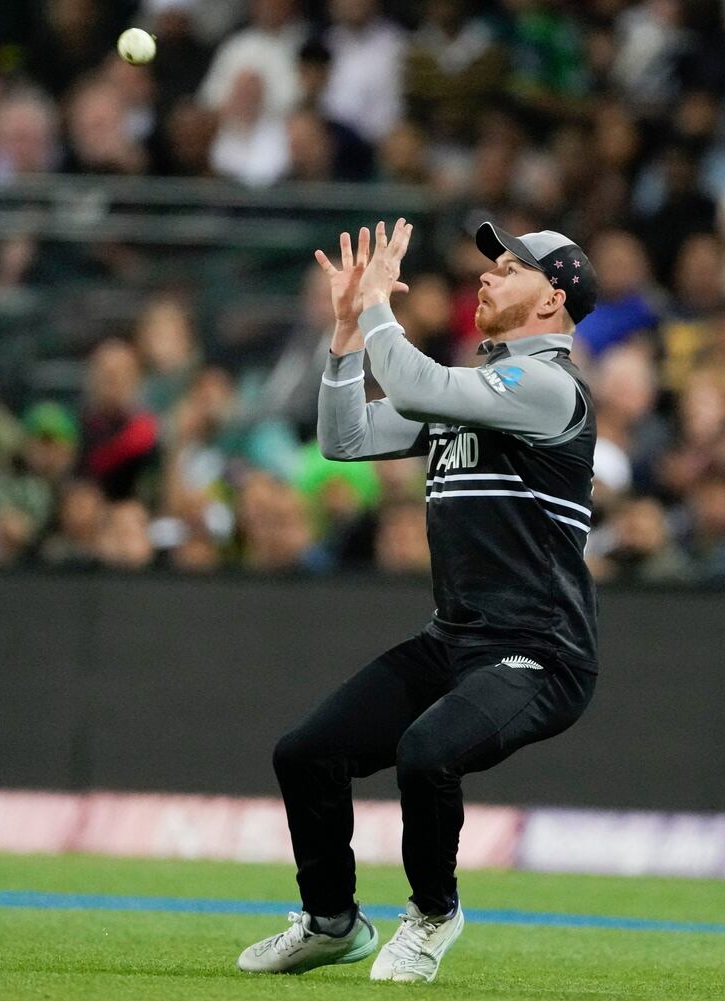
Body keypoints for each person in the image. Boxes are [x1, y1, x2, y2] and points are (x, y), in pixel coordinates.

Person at [236, 219, 600, 982]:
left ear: (553, 300)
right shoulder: (474, 388)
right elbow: (346, 439)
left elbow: (415, 383)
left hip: (539, 648)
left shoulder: (546, 385)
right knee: (306, 753)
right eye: (492, 263)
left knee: (427, 754)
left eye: (512, 268)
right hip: (457, 639)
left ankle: (434, 912)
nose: (490, 275)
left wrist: (375, 307)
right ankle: (332, 920)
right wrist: (343, 336)